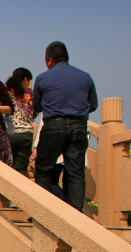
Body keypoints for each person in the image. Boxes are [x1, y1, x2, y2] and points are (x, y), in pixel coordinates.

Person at [32, 41, 98, 210]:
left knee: (44, 172)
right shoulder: (85, 77)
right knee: (76, 173)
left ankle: (54, 207)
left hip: (53, 126)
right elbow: (93, 105)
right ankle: (75, 213)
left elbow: (37, 107)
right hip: (79, 127)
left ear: (50, 60)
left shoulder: (42, 78)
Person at [6, 67, 36, 176]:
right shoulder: (32, 94)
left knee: (5, 166)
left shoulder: (7, 92)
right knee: (21, 169)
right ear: (26, 79)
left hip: (11, 132)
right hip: (27, 134)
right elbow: (35, 112)